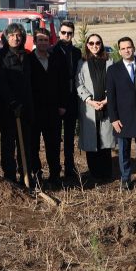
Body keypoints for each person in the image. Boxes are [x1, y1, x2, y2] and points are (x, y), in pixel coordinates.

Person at [0, 23, 41, 187]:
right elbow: (1, 84)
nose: (15, 38)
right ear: (6, 37)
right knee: (8, 146)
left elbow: (31, 83)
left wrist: (27, 105)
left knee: (26, 145)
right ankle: (10, 177)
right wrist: (13, 103)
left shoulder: (27, 56)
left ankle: (26, 176)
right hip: (9, 110)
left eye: (18, 35)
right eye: (12, 35)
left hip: (26, 109)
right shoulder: (0, 57)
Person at [106, 36, 136, 190]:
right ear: (119, 51)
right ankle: (126, 179)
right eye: (123, 48)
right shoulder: (113, 70)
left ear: (133, 47)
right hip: (122, 118)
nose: (126, 50)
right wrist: (114, 119)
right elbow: (111, 97)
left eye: (129, 47)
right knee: (123, 151)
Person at [30, 28, 68, 189]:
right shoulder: (29, 60)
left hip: (53, 110)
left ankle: (54, 176)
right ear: (35, 41)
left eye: (46, 40)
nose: (43, 43)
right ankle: (36, 176)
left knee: (53, 145)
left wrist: (62, 105)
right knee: (33, 146)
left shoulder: (56, 59)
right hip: (34, 111)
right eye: (40, 40)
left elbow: (63, 83)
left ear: (50, 41)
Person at [77, 33, 114, 183]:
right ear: (87, 45)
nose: (94, 46)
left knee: (105, 139)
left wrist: (107, 99)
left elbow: (113, 82)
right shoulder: (82, 63)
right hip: (89, 108)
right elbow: (79, 83)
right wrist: (90, 101)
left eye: (97, 43)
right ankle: (94, 173)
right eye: (91, 43)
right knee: (92, 140)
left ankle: (106, 172)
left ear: (101, 44)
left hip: (106, 106)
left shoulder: (109, 62)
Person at [53, 21, 82, 185]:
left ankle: (69, 168)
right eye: (63, 32)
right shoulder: (53, 51)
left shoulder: (77, 52)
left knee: (70, 136)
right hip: (57, 100)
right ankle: (56, 169)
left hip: (72, 99)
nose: (66, 36)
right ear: (59, 33)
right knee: (56, 137)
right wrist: (58, 103)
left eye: (69, 33)